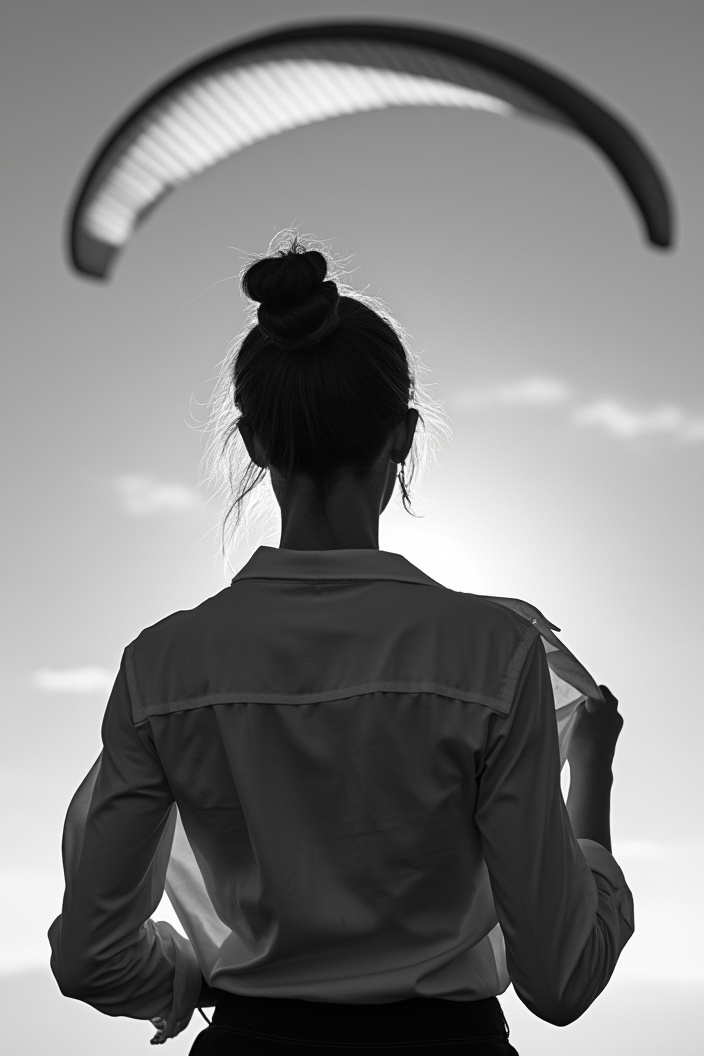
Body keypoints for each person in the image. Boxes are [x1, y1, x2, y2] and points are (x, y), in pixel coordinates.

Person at [48, 233, 633, 1055]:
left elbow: (90, 957)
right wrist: (595, 770)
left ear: (252, 443)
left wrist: (192, 978)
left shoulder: (164, 666)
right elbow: (562, 979)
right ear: (403, 434)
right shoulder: (492, 655)